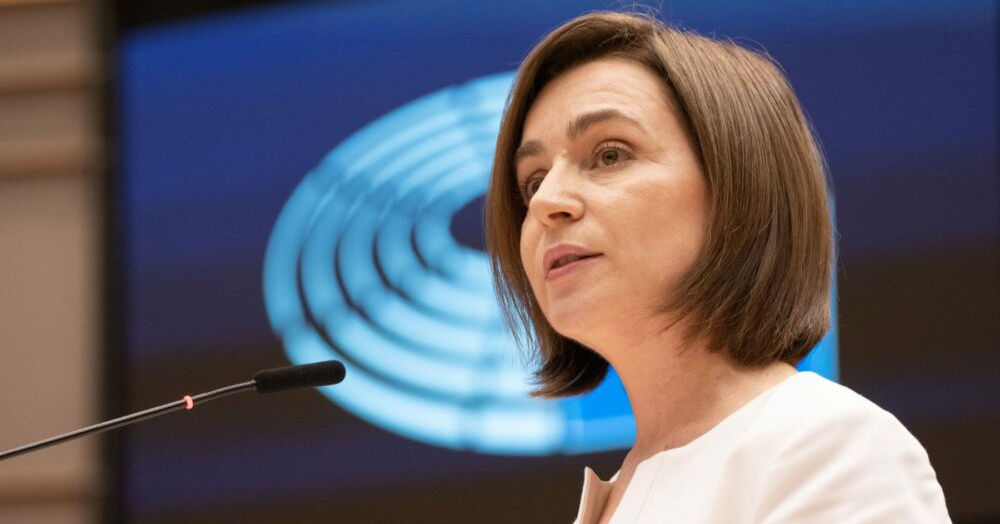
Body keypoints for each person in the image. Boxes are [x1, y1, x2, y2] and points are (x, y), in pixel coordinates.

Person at [484, 11, 950, 524]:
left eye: (610, 155)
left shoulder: (831, 448)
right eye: (532, 181)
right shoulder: (627, 492)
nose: (546, 201)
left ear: (740, 189)